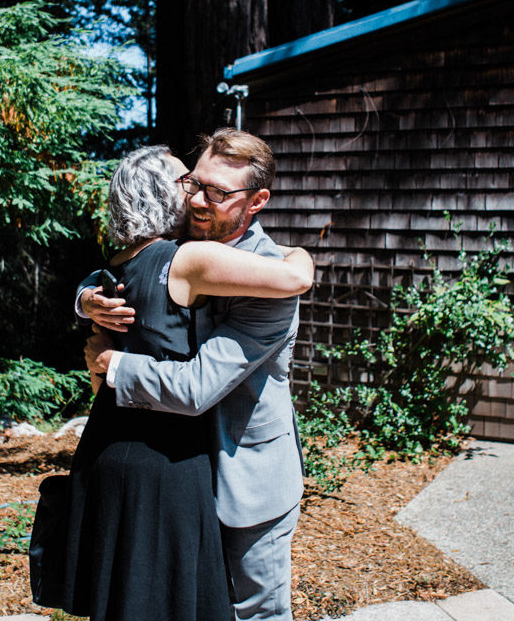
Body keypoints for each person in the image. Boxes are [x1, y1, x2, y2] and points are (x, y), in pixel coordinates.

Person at [39, 144, 313, 621]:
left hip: (242, 477)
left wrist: (111, 364)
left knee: (255, 615)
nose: (198, 200)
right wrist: (86, 298)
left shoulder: (268, 280)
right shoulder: (186, 241)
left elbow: (195, 388)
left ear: (257, 201)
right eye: (193, 184)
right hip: (177, 465)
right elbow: (128, 260)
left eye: (217, 191)